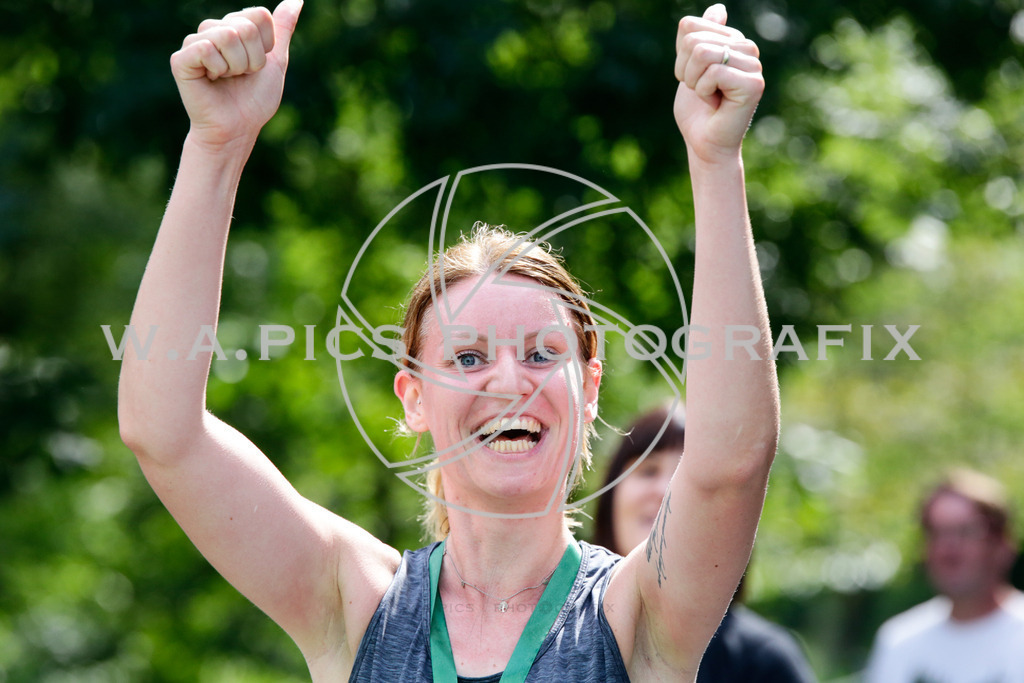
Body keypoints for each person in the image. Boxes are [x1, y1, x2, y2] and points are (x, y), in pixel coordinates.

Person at [117, 0, 779, 680]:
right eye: (467, 356)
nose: (507, 380)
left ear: (590, 389)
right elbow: (161, 429)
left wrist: (715, 157)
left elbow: (731, 462)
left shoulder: (638, 613)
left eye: (542, 353)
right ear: (414, 398)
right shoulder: (354, 600)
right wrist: (216, 145)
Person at [594, 405, 817, 682]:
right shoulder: (556, 630)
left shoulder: (764, 662)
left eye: (686, 477)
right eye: (648, 471)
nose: (665, 491)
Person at [864, 468, 1024, 683]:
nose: (948, 550)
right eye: (936, 533)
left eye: (966, 532)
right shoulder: (899, 640)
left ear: (1003, 545)